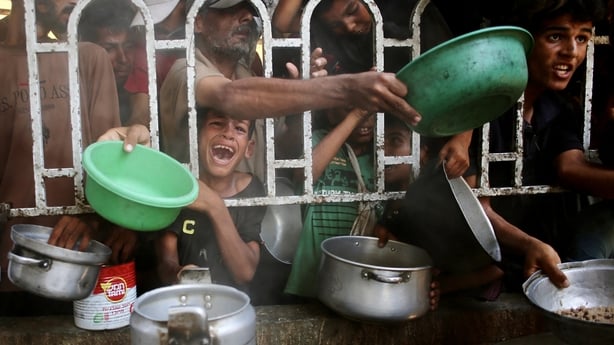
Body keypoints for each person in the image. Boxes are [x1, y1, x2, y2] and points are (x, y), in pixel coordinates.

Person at [0, 0, 148, 316]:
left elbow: (109, 159)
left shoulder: (87, 57)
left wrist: (92, 218)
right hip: (11, 258)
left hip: (81, 256)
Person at [159, 0, 421, 173]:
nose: (247, 16)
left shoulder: (246, 72)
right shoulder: (185, 70)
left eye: (250, 8)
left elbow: (282, 150)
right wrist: (348, 88)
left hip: (250, 226)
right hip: (195, 229)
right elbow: (228, 97)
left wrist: (302, 99)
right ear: (198, 22)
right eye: (229, 8)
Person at [155, 108, 266, 295]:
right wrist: (179, 273)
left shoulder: (252, 189)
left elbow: (245, 273)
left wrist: (215, 207)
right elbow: (165, 264)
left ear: (249, 148)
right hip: (185, 302)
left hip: (233, 302)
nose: (228, 133)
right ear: (197, 136)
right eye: (216, 123)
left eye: (239, 128)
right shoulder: (177, 187)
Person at [127, 0, 188, 127]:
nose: (156, 24)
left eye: (167, 15)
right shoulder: (146, 52)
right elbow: (141, 115)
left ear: (183, 4)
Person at [79, 0, 137, 125]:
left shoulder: (148, 90)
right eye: (109, 48)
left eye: (129, 46)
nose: (123, 58)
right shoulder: (76, 97)